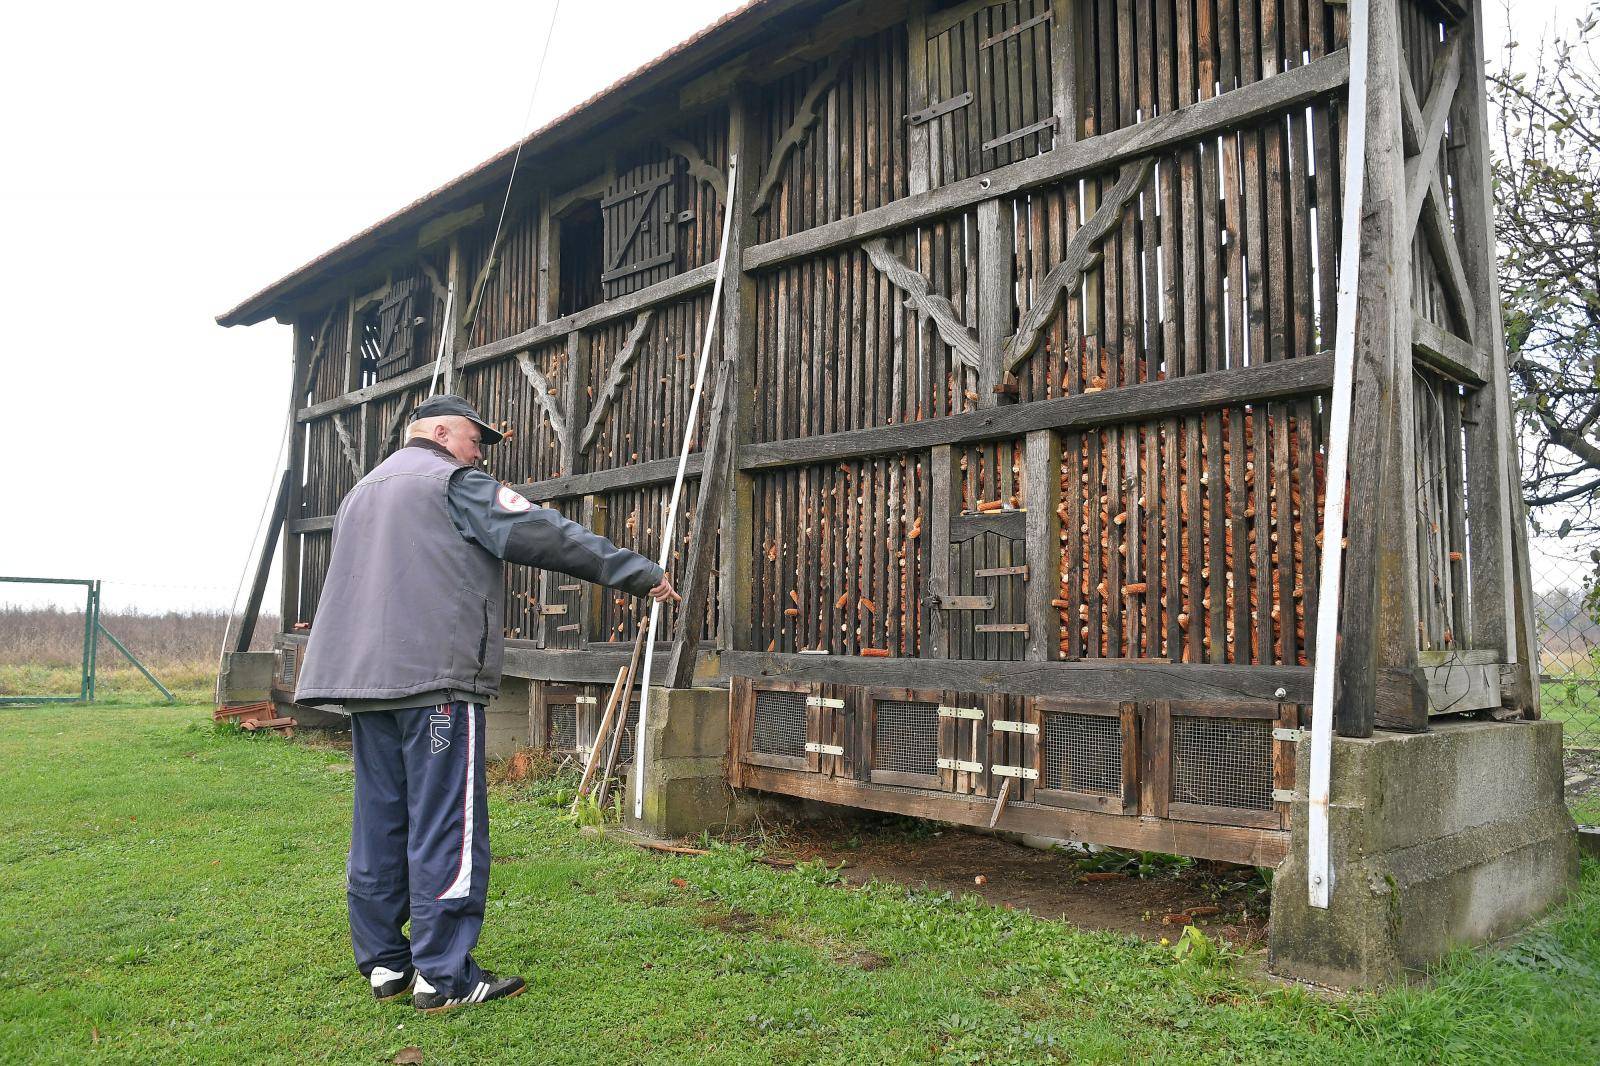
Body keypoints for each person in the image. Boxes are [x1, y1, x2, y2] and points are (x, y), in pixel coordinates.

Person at [293, 394, 676, 1013]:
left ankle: (386, 964)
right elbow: (542, 532)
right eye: (477, 440)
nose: (481, 454)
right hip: (436, 682)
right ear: (442, 432)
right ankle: (444, 976)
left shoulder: (363, 490)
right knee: (448, 823)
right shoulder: (451, 482)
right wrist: (634, 570)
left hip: (366, 686)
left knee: (380, 822)